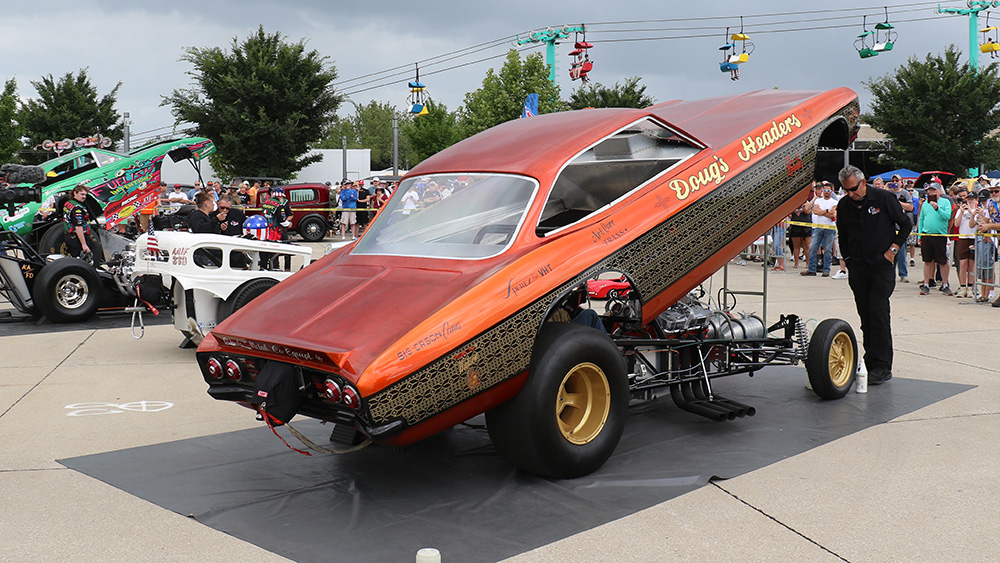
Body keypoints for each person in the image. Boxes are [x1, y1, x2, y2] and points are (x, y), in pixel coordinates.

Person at [835, 165, 912, 385]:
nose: (850, 194)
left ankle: (882, 366)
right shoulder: (844, 205)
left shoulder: (883, 198)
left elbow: (905, 225)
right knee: (865, 316)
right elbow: (842, 235)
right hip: (858, 268)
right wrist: (848, 260)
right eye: (846, 190)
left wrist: (893, 250)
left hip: (881, 267)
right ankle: (870, 362)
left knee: (878, 313)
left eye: (853, 189)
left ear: (863, 182)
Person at [917, 182, 953, 296]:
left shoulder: (945, 202)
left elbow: (947, 216)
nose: (931, 193)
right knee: (927, 261)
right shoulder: (925, 204)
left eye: (934, 190)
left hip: (940, 235)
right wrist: (920, 235)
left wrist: (937, 208)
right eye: (930, 191)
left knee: (942, 261)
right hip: (927, 235)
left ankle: (945, 284)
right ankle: (926, 283)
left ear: (939, 191)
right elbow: (921, 219)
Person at [801, 181, 838, 277]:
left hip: (829, 228)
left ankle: (826, 269)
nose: (826, 192)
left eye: (828, 190)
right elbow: (816, 211)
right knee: (813, 248)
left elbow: (833, 214)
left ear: (832, 191)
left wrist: (823, 212)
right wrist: (827, 211)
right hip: (817, 227)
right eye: (824, 190)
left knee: (828, 250)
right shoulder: (818, 201)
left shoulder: (835, 202)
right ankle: (811, 269)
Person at [974, 183, 1000, 305]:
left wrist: (989, 226)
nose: (994, 194)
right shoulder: (990, 203)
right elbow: (986, 218)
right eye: (992, 192)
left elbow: (991, 223)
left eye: (997, 191)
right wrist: (982, 224)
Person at [887, 175, 914, 282]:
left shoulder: (905, 193)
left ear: (901, 182)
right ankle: (889, 273)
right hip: (890, 226)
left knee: (901, 251)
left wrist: (898, 203)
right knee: (889, 251)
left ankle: (903, 274)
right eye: (893, 180)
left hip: (901, 226)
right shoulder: (888, 193)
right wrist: (886, 188)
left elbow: (911, 207)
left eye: (896, 180)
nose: (894, 182)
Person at [954, 188, 978, 298]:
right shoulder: (961, 210)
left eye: (972, 199)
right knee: (963, 263)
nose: (970, 201)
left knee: (971, 264)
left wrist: (972, 212)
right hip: (963, 237)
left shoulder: (978, 209)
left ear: (976, 200)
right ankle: (963, 287)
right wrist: (962, 211)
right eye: (968, 199)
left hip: (973, 237)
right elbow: (956, 224)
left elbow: (978, 222)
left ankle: (971, 286)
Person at [62, 183, 93, 258]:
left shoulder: (69, 202)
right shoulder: (77, 208)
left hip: (69, 236)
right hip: (76, 238)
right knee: (79, 261)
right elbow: (78, 226)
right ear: (75, 193)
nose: (84, 197)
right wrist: (84, 244)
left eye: (85, 195)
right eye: (82, 194)